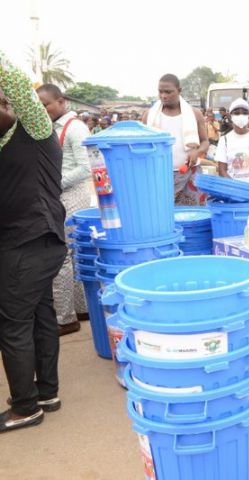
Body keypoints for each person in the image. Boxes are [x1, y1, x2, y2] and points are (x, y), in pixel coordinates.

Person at [0, 53, 67, 433]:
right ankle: (46, 393)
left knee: (13, 324)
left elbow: (11, 79)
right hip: (29, 242)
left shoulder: (36, 130)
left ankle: (25, 406)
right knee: (40, 316)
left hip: (30, 241)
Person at [36, 84, 92, 336]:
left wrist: (53, 184)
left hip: (72, 195)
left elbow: (85, 167)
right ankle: (81, 310)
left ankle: (65, 318)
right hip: (60, 196)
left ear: (61, 101)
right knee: (73, 254)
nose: (42, 109)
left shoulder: (76, 128)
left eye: (46, 104)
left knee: (61, 256)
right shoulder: (52, 127)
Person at [142, 73, 208, 205]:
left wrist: (197, 152)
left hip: (190, 174)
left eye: (168, 92)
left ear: (179, 90)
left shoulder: (194, 113)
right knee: (162, 215)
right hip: (159, 176)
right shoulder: (149, 116)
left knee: (192, 216)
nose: (163, 96)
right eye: (160, 92)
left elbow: (205, 142)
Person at [216, 97, 249, 184]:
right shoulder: (224, 140)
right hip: (231, 192)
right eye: (236, 113)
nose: (241, 115)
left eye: (245, 113)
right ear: (230, 116)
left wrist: (248, 189)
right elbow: (222, 170)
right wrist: (236, 190)